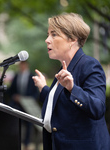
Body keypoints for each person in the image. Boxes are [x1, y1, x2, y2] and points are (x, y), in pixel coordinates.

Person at [32, 12, 110, 150]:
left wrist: (73, 88)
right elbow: (61, 103)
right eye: (48, 34)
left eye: (54, 34)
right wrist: (43, 88)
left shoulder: (89, 65)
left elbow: (98, 108)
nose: (47, 40)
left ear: (72, 39)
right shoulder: (64, 67)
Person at [9, 61, 38, 150]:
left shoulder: (32, 76)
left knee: (29, 126)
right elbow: (11, 90)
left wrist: (26, 99)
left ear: (26, 65)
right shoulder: (16, 76)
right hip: (17, 105)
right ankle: (16, 144)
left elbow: (35, 92)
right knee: (16, 125)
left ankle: (27, 144)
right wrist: (15, 96)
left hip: (28, 105)